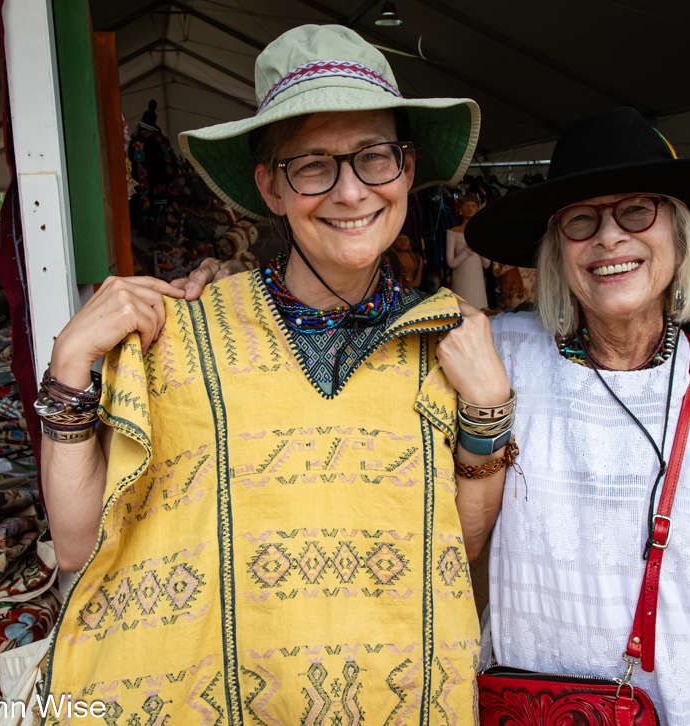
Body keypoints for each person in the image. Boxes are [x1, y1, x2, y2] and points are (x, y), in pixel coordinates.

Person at [39, 24, 509, 724]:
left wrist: (487, 415)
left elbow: (456, 549)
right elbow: (79, 541)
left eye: (375, 157)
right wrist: (70, 365)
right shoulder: (182, 336)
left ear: (407, 169)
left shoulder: (451, 342)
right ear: (271, 187)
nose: (351, 192)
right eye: (313, 165)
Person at [463, 107, 690, 725]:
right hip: (546, 708)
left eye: (637, 211)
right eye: (581, 220)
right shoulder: (501, 357)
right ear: (555, 250)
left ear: (678, 231)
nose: (609, 237)